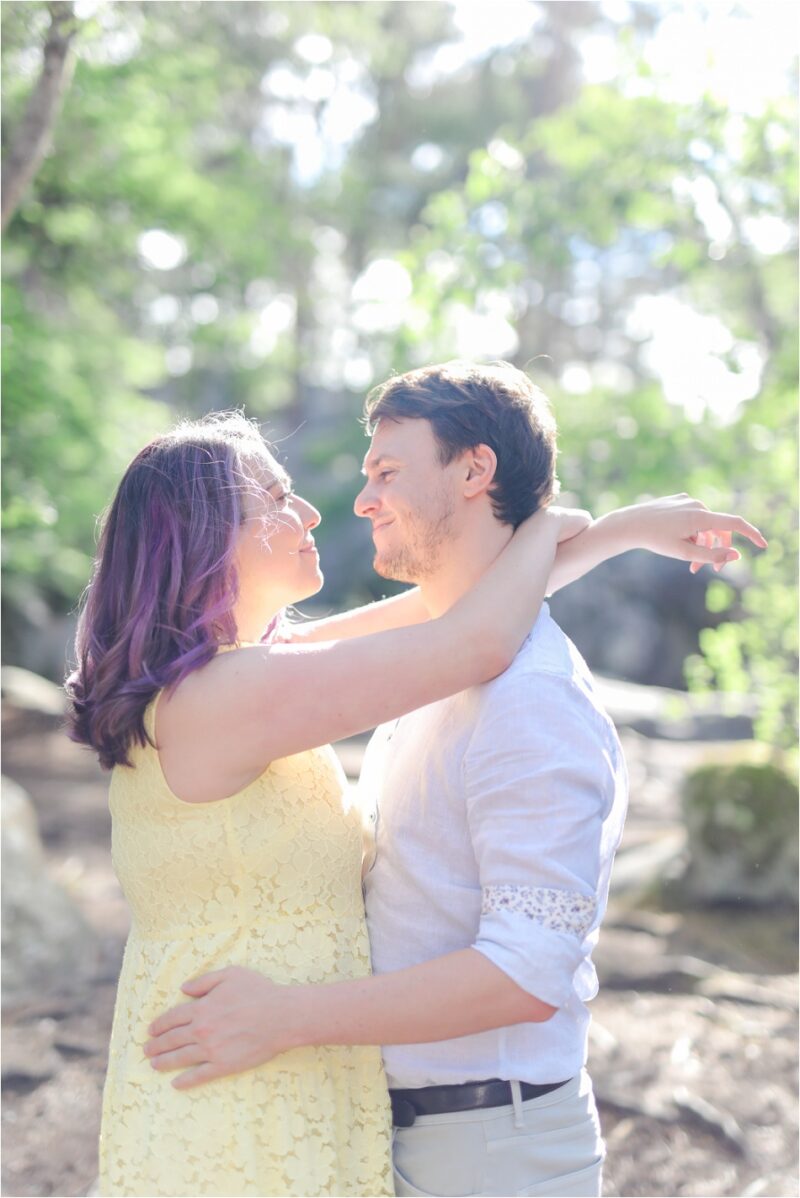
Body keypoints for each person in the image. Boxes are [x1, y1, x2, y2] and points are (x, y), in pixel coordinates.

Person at [143, 363, 767, 1198]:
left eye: (387, 474)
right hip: (383, 1132)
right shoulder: (426, 671)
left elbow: (527, 971)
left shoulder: (532, 705)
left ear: (475, 472)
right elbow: (454, 624)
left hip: (489, 1153)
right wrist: (596, 534)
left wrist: (288, 1015)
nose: (360, 502)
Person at [65, 406, 621, 1197]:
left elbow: (449, 606)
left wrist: (615, 535)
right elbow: (472, 642)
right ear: (203, 532)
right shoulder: (225, 697)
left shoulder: (243, 677)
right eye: (275, 494)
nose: (312, 511)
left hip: (287, 1083)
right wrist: (544, 526)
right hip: (238, 1105)